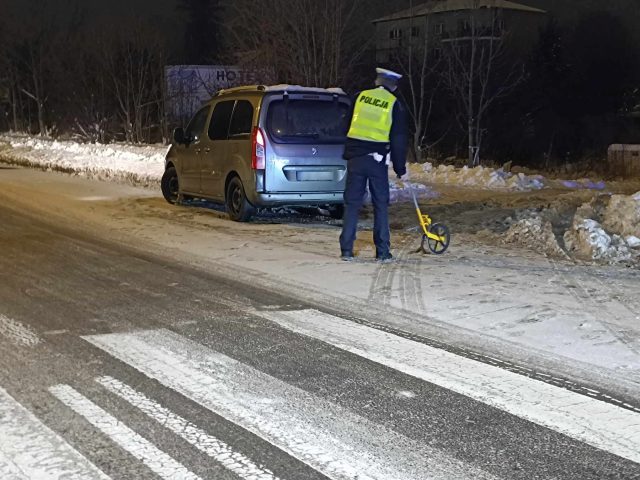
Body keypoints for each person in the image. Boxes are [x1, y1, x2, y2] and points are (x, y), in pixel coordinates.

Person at [339, 67, 408, 262]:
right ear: (393, 85)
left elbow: (345, 126)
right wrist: (400, 167)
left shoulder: (359, 97)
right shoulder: (394, 104)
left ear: (377, 81)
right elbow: (398, 139)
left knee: (352, 204)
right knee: (380, 205)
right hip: (377, 160)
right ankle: (383, 252)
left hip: (355, 159)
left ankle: (346, 250)